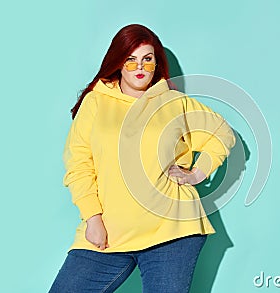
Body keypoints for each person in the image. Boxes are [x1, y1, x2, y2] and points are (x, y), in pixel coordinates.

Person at [49, 24, 236, 293]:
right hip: (108, 233)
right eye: (131, 59)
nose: (140, 67)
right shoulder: (96, 103)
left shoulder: (173, 102)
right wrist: (92, 218)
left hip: (173, 231)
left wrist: (197, 173)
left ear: (156, 63)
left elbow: (221, 132)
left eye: (148, 59)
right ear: (118, 62)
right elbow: (79, 164)